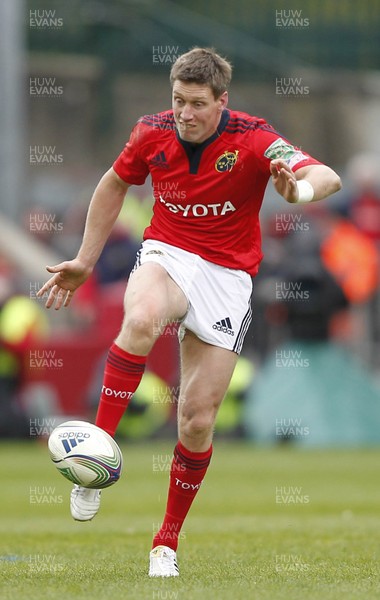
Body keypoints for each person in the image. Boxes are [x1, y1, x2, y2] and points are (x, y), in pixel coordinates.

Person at [37, 47, 341, 577]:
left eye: (198, 103)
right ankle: (95, 458)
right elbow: (113, 184)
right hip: (168, 254)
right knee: (140, 319)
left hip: (228, 278)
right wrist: (86, 260)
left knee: (197, 421)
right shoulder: (150, 132)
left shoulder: (253, 137)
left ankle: (165, 543)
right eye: (178, 100)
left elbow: (327, 177)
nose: (185, 113)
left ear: (223, 101)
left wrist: (299, 190)